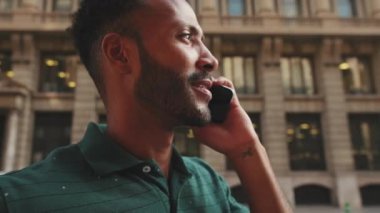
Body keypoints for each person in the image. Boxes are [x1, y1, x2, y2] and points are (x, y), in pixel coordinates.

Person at [0, 0, 291, 212]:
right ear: (120, 54)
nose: (211, 60)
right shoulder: (16, 199)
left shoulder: (208, 182)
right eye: (187, 37)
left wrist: (247, 150)